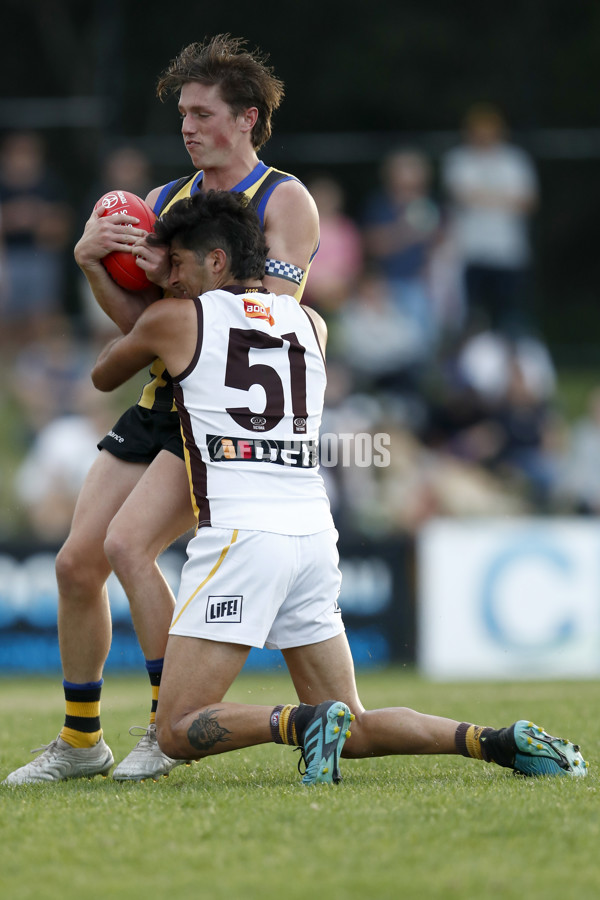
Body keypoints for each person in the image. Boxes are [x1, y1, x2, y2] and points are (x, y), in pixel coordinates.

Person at [70, 190, 586, 786]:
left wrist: (99, 267)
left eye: (179, 265)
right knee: (356, 725)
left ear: (216, 262)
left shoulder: (173, 318)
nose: (171, 279)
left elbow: (105, 370)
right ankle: (495, 740)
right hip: (313, 536)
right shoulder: (312, 322)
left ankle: (299, 723)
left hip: (245, 535)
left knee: (176, 729)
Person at [2, 34, 320, 785]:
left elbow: (265, 319)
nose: (188, 126)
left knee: (126, 547)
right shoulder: (162, 203)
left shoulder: (286, 200)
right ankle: (82, 741)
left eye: (204, 113)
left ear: (246, 119)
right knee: (77, 563)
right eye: (182, 112)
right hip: (163, 398)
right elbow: (142, 332)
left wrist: (175, 287)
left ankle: (162, 726)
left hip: (226, 416)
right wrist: (92, 262)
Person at [441, 103, 539, 336]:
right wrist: (505, 198)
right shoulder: (459, 160)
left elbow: (528, 202)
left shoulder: (515, 160)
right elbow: (461, 196)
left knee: (510, 314)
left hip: (508, 251)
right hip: (469, 250)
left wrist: (481, 197)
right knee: (472, 315)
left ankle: (513, 364)